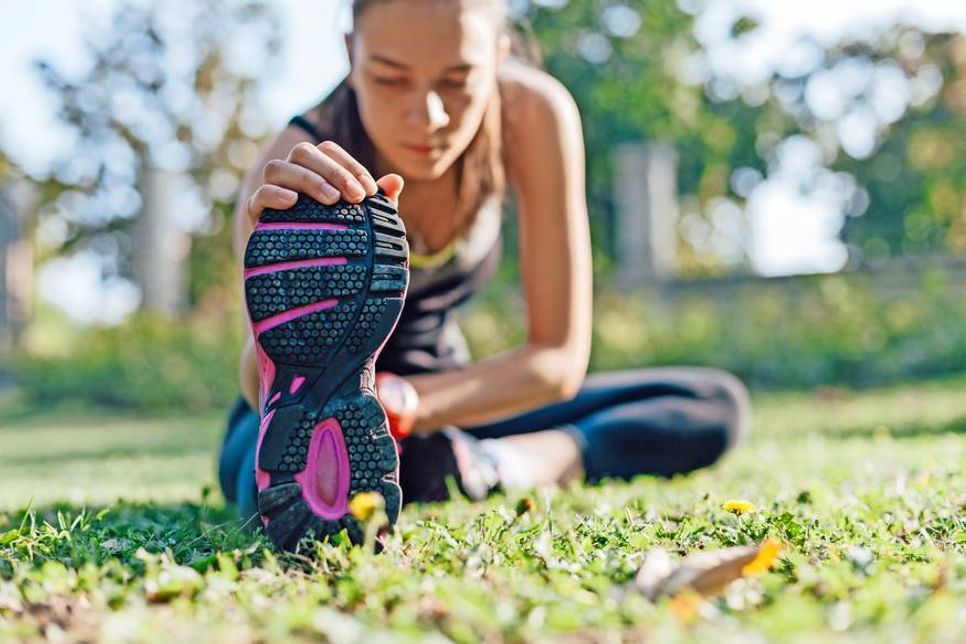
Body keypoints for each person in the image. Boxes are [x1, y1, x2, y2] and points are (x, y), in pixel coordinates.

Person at [219, 0, 750, 550]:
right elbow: (253, 381)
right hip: (301, 411)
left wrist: (410, 404)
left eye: (458, 80)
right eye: (390, 77)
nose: (428, 115)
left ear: (498, 57)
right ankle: (402, 468)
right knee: (273, 493)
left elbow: (557, 361)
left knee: (711, 403)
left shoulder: (533, 112)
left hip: (448, 400)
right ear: (351, 54)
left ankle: (491, 466)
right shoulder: (291, 168)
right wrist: (273, 275)